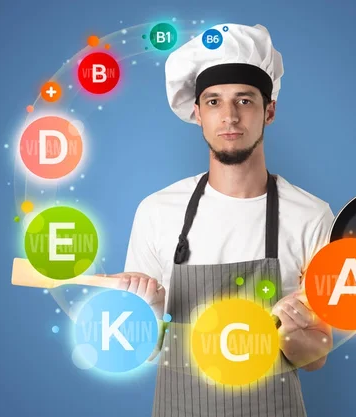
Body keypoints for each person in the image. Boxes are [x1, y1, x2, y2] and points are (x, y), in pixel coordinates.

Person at [105, 23, 334, 417]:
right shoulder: (158, 211)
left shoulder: (311, 215)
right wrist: (152, 311)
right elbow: (138, 348)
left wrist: (294, 336)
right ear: (197, 114)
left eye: (244, 100)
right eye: (213, 102)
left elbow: (316, 356)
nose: (229, 116)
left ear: (270, 111)